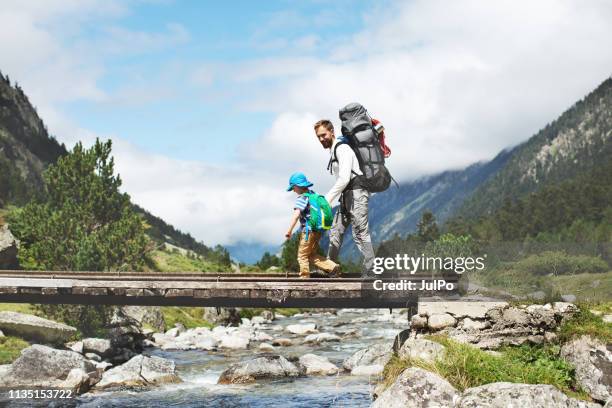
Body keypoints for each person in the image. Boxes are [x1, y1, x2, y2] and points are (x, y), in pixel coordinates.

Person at [314, 119, 375, 278]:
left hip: (357, 193)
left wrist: (325, 200)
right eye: (318, 137)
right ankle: (329, 267)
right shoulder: (334, 150)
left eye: (323, 135)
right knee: (336, 230)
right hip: (346, 195)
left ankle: (371, 270)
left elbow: (344, 178)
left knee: (360, 232)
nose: (321, 139)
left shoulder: (343, 149)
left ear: (332, 132)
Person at [285, 172, 339, 279]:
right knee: (311, 255)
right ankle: (332, 267)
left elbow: (296, 216)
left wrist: (289, 230)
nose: (293, 190)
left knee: (302, 256)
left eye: (293, 188)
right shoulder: (313, 195)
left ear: (297, 186)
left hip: (308, 231)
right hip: (317, 231)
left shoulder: (302, 198)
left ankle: (304, 277)